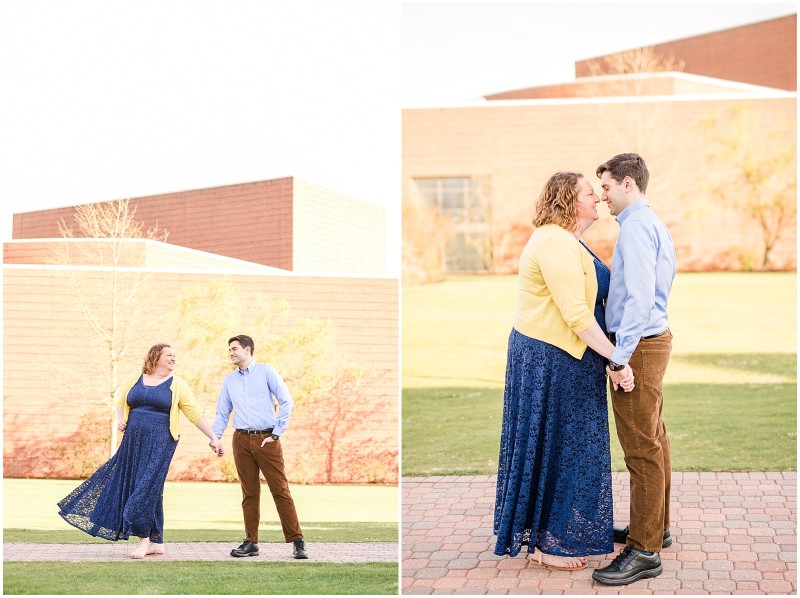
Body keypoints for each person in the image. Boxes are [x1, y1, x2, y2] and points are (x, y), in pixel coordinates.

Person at [493, 171, 634, 570]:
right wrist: (616, 359)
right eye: (591, 193)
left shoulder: (569, 239)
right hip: (551, 359)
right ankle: (548, 545)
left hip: (569, 357)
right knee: (563, 448)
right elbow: (575, 314)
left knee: (571, 448)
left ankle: (556, 533)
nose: (598, 199)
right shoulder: (554, 241)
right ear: (568, 201)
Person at [591, 153, 677, 586]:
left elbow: (640, 299)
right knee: (654, 438)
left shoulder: (638, 229)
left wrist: (619, 357)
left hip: (639, 345)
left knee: (641, 447)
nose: (602, 196)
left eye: (605, 187)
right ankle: (654, 527)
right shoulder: (647, 223)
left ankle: (645, 551)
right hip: (651, 340)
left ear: (628, 184)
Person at [58, 343, 223, 559]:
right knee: (148, 489)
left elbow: (194, 414)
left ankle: (143, 539)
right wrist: (120, 419)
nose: (174, 358)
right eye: (169, 355)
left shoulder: (177, 384)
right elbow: (121, 401)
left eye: (175, 355)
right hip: (133, 442)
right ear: (156, 357)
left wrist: (213, 438)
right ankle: (157, 541)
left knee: (144, 489)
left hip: (161, 443)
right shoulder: (136, 379)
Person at [212, 334, 308, 560]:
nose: (231, 353)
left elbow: (287, 401)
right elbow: (222, 413)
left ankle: (297, 540)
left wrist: (276, 434)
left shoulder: (266, 371)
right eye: (229, 350)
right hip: (241, 440)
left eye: (234, 348)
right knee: (249, 493)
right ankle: (251, 542)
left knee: (280, 490)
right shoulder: (230, 381)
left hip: (267, 439)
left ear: (247, 349)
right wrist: (215, 438)